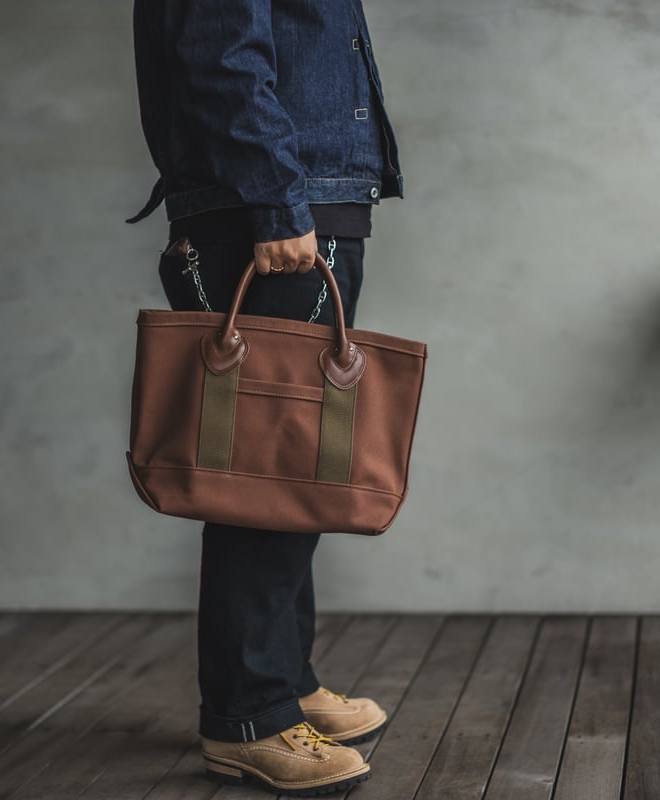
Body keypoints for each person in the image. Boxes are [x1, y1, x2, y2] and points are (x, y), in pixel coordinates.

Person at [127, 1, 403, 794]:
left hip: (306, 197)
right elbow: (220, 51)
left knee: (293, 466)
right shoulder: (275, 206)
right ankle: (249, 716)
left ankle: (285, 678)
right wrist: (279, 202)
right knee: (264, 475)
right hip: (273, 208)